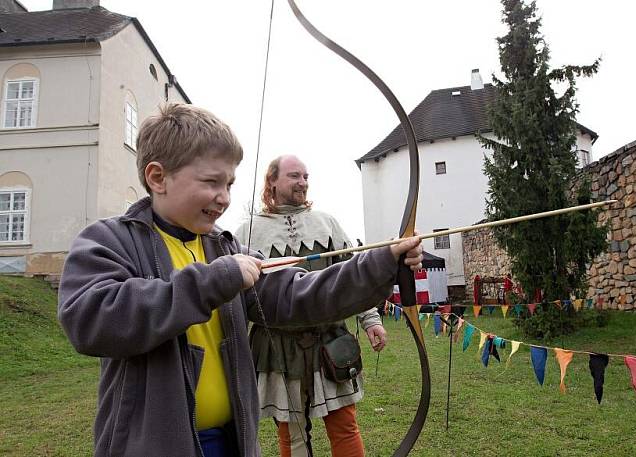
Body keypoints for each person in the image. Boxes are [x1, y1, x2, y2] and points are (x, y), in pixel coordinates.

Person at [56, 104, 422, 457]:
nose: (225, 198)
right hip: (153, 444)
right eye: (212, 182)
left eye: (230, 184)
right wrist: (213, 281)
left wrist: (383, 262)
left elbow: (297, 293)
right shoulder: (109, 240)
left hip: (232, 441)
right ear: (158, 177)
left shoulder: (223, 246)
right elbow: (90, 320)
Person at [236, 155, 385, 457]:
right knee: (291, 436)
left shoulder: (326, 224)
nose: (302, 182)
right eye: (294, 176)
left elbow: (352, 275)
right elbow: (237, 296)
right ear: (272, 181)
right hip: (277, 345)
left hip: (329, 338)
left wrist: (371, 320)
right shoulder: (248, 233)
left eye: (306, 176)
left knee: (344, 426)